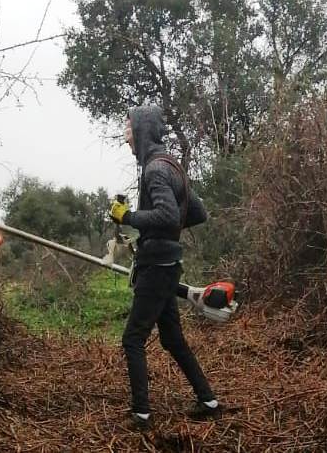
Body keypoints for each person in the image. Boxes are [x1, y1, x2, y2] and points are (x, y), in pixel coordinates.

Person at [109, 105, 221, 431]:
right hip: (167, 264)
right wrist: (165, 234)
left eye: (128, 127)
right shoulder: (171, 165)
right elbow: (196, 213)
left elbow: (169, 216)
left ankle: (141, 415)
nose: (125, 134)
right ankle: (208, 401)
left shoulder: (155, 170)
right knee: (172, 340)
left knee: (133, 339)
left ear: (142, 130)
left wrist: (127, 217)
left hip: (157, 268)